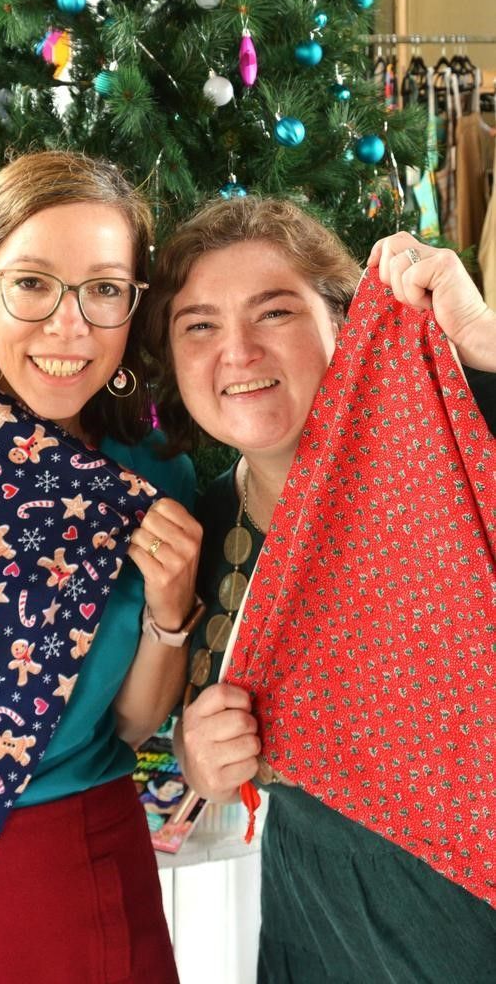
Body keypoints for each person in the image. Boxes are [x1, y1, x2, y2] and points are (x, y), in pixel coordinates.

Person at [144, 195, 496, 984]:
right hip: (317, 929)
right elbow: (182, 729)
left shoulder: (461, 441)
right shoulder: (198, 531)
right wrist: (194, 757)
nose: (236, 350)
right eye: (198, 324)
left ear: (343, 320)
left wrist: (486, 345)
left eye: (274, 312)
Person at [0, 150, 204, 983]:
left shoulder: (154, 480)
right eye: (33, 283)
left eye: (105, 289)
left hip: (79, 864)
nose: (69, 326)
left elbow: (133, 726)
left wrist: (169, 606)